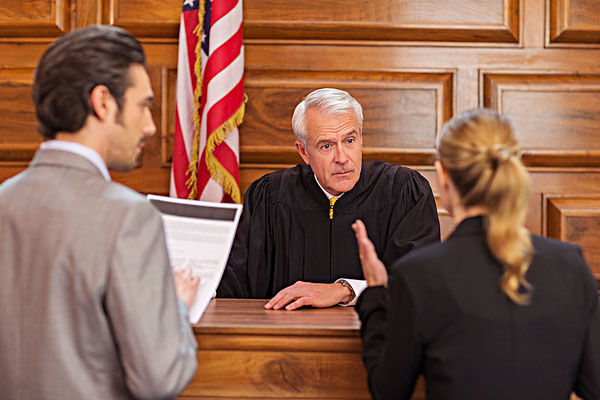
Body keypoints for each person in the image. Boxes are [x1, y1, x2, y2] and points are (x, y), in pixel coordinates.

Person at [0, 25, 200, 399]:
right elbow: (159, 378)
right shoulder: (129, 217)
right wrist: (176, 306)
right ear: (103, 102)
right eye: (143, 106)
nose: (150, 127)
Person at [353, 109, 600, 399]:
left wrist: (376, 294)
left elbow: (389, 391)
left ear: (443, 175)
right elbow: (593, 385)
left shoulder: (419, 274)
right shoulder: (570, 264)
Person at [217, 88, 440, 310]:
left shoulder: (403, 191)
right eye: (326, 145)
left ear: (361, 138)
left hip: (375, 330)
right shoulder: (269, 197)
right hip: (288, 330)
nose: (342, 158)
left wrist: (344, 290)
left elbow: (421, 282)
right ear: (303, 151)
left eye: (349, 140)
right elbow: (234, 285)